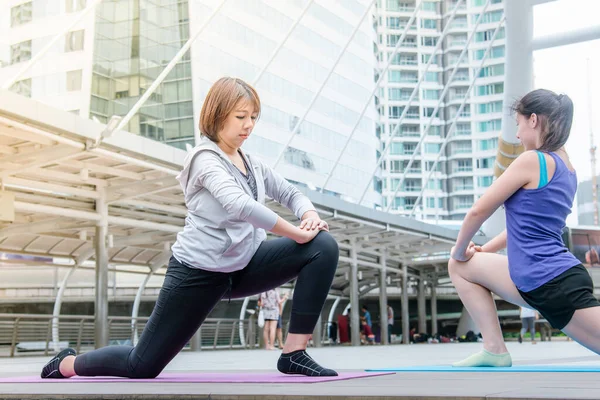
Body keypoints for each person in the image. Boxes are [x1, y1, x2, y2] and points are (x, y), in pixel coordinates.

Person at [41, 77, 339, 379]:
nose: (248, 125)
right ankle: (67, 364)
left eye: (252, 117)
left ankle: (293, 353)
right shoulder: (203, 159)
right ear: (217, 115)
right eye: (240, 117)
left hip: (246, 265)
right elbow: (239, 205)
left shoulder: (254, 163)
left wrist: (309, 215)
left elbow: (291, 193)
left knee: (322, 246)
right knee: (141, 366)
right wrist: (296, 231)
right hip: (198, 273)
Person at [449, 89, 600, 368]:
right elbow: (530, 225)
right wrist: (484, 249)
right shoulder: (567, 167)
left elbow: (478, 211)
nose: (516, 135)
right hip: (541, 278)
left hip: (550, 281)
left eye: (517, 124)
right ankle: (494, 350)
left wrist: (459, 250)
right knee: (460, 268)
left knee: (456, 264)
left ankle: (495, 349)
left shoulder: (533, 160)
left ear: (533, 120)